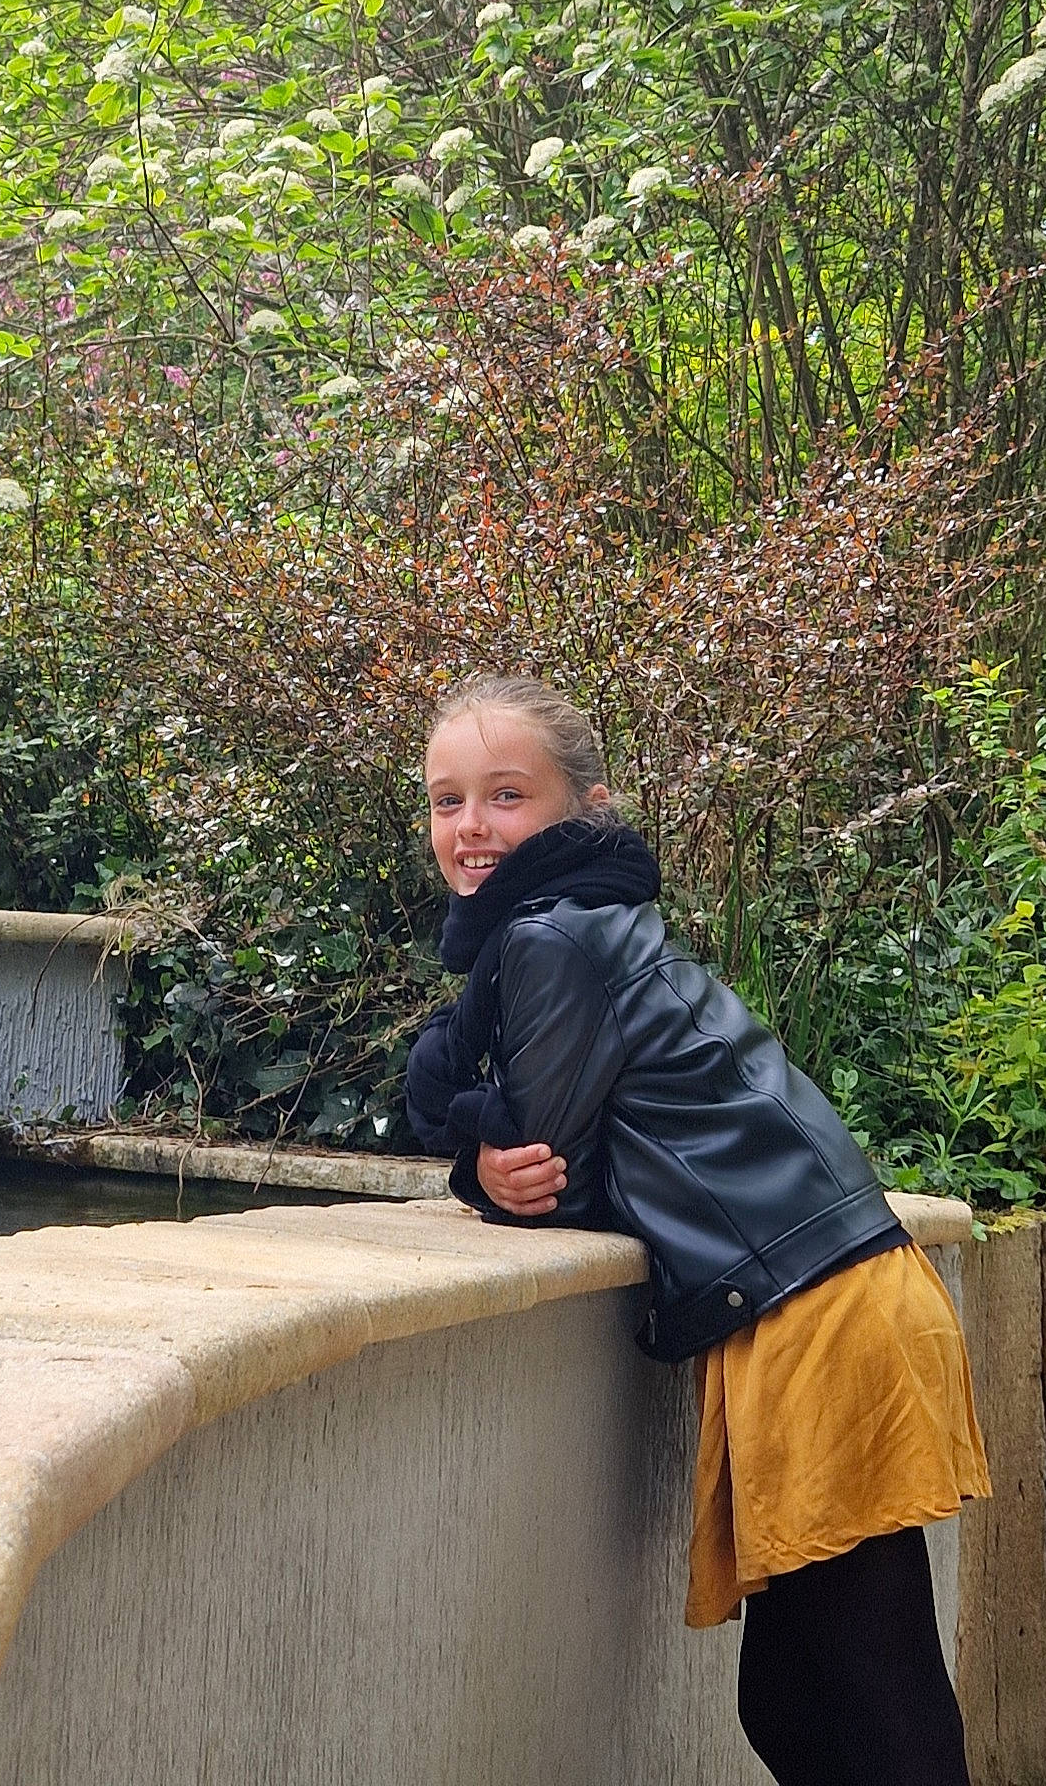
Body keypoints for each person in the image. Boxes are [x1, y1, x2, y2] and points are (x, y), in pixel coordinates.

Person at [405, 673, 990, 1786]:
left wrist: (478, 1153)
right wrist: (479, 1128)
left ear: (585, 808)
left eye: (506, 794)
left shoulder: (553, 939)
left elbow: (551, 1169)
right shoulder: (586, 921)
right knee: (798, 1702)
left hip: (819, 1311)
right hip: (826, 1292)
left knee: (877, 1711)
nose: (471, 825)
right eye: (446, 800)